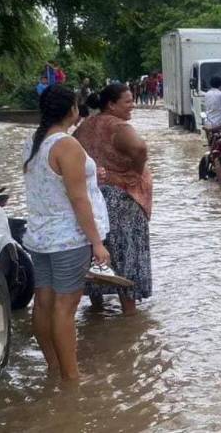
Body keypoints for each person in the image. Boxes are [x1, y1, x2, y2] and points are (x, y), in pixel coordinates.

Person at [21, 85, 111, 380]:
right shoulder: (67, 145)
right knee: (65, 307)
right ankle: (72, 379)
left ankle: (54, 368)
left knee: (43, 303)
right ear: (71, 109)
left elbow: (51, 184)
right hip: (68, 239)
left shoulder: (33, 142)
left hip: (40, 236)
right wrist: (97, 243)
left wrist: (92, 175)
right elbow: (78, 199)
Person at [75, 84, 153, 315]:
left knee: (98, 250)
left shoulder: (85, 126)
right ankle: (129, 314)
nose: (132, 105)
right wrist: (135, 172)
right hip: (122, 199)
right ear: (111, 104)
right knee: (127, 251)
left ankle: (97, 308)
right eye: (128, 101)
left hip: (94, 198)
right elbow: (140, 148)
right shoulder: (118, 126)